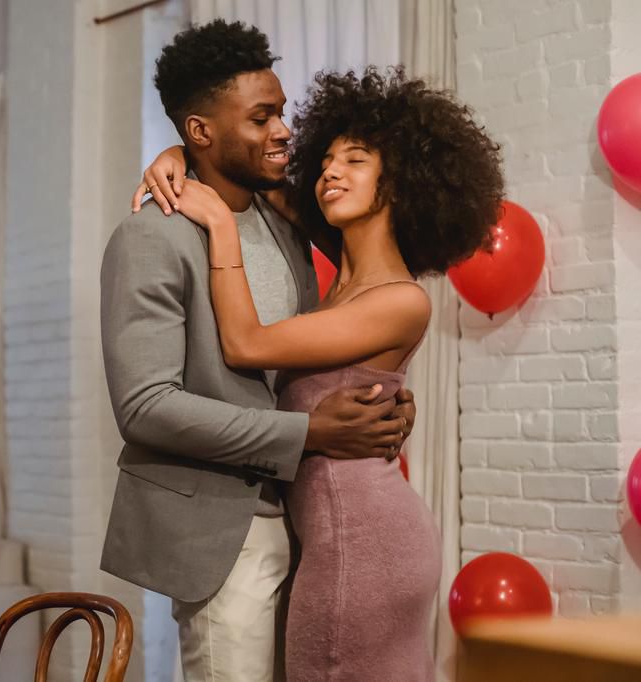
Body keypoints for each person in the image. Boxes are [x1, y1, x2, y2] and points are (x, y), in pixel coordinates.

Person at [143, 66, 504, 681]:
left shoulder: (398, 300)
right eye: (328, 158)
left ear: (403, 181)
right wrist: (181, 147)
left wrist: (222, 227)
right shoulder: (344, 282)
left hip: (361, 547)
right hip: (340, 539)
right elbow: (242, 165)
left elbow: (247, 343)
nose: (331, 171)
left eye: (356, 159)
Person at [99, 21, 416, 682]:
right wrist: (308, 431)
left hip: (314, 527)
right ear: (201, 130)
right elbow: (146, 407)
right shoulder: (151, 238)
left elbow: (364, 310)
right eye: (262, 117)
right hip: (222, 532)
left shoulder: (286, 221)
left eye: (282, 112)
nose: (283, 131)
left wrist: (385, 393)